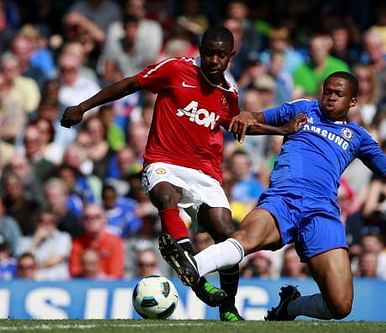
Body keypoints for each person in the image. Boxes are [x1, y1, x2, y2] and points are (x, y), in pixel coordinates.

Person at [161, 71, 386, 320]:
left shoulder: (358, 137)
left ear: (353, 100)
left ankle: (289, 306)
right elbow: (250, 118)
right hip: (283, 198)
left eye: (338, 94)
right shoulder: (302, 108)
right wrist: (259, 122)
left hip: (322, 212)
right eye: (327, 91)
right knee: (246, 237)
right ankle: (192, 265)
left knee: (341, 305)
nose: (330, 97)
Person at [60, 26, 301, 321]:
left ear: (231, 57)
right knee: (165, 195)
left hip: (205, 170)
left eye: (220, 55)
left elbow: (237, 125)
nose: (214, 60)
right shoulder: (175, 69)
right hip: (164, 160)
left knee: (227, 235)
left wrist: (282, 130)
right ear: (200, 51)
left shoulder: (229, 93)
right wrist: (84, 107)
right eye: (209, 53)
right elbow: (130, 84)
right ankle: (195, 277)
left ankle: (227, 306)